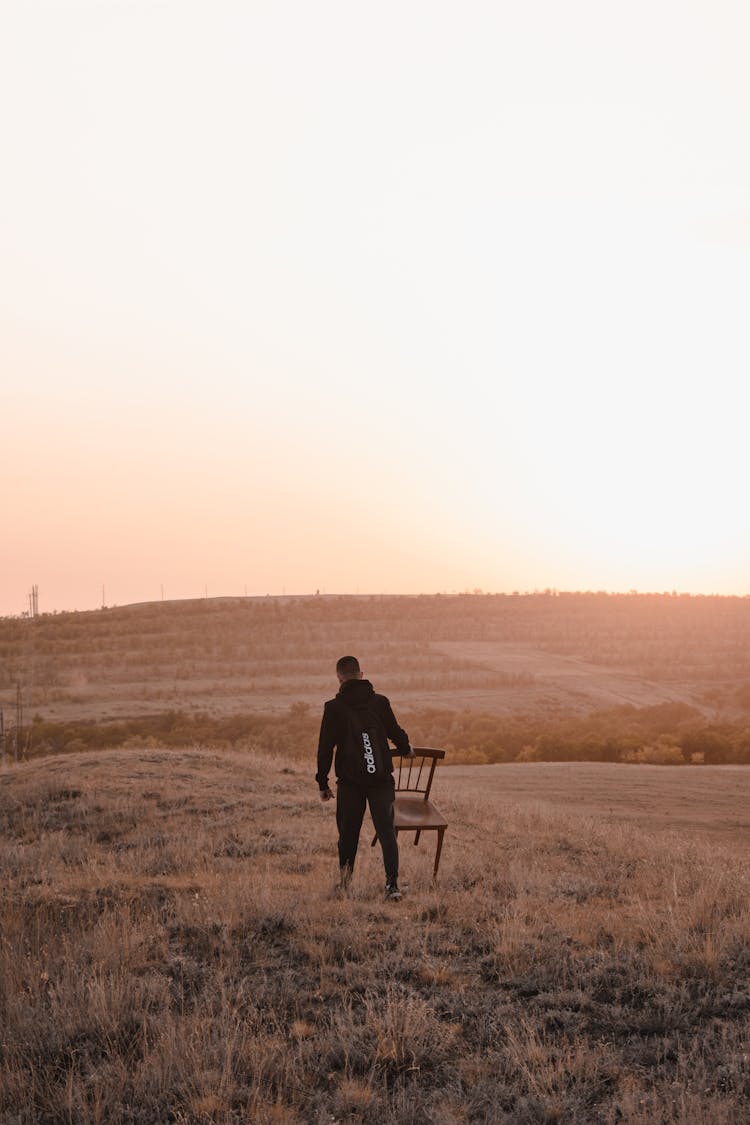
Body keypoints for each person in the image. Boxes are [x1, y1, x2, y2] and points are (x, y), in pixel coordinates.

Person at [316, 655, 413, 900]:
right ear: (361, 674)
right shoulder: (380, 702)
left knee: (348, 834)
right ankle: (392, 886)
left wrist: (322, 782)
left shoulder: (334, 708)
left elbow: (325, 748)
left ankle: (345, 884)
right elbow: (395, 732)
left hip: (350, 782)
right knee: (387, 833)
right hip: (380, 780)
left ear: (339, 678)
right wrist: (405, 747)